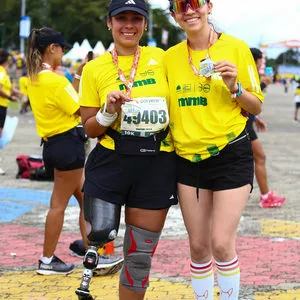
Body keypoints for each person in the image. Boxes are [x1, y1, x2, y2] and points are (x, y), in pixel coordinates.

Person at [75, 0, 177, 299]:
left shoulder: (163, 58)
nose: (129, 25)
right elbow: (89, 129)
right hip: (111, 161)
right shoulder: (93, 69)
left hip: (156, 163)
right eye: (121, 18)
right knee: (102, 232)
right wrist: (107, 111)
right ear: (109, 23)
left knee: (139, 256)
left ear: (145, 24)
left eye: (136, 18)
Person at [165, 1, 263, 299]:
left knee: (221, 242)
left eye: (195, 3)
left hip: (230, 153)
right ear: (173, 15)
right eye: (181, 6)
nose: (189, 11)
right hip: (187, 159)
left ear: (209, 6)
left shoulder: (236, 48)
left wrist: (235, 87)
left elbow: (256, 105)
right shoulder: (169, 58)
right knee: (198, 246)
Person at [26, 27, 88, 275]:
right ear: (52, 48)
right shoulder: (53, 79)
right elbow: (79, 107)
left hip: (54, 144)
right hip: (67, 144)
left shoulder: (36, 77)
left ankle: (90, 248)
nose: (64, 52)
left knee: (87, 198)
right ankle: (47, 259)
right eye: (62, 48)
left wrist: (78, 76)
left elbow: (67, 99)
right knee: (59, 205)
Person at [247, 48, 286, 208]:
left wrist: (256, 118)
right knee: (259, 157)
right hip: (242, 126)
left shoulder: (250, 73)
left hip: (247, 123)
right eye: (261, 60)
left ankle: (263, 194)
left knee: (256, 158)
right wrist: (263, 84)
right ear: (256, 61)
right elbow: (245, 97)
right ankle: (265, 195)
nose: (262, 63)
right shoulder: (248, 74)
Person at [0, 48, 20, 175]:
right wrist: (10, 97)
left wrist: (16, 93)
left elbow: (8, 87)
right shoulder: (2, 71)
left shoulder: (4, 72)